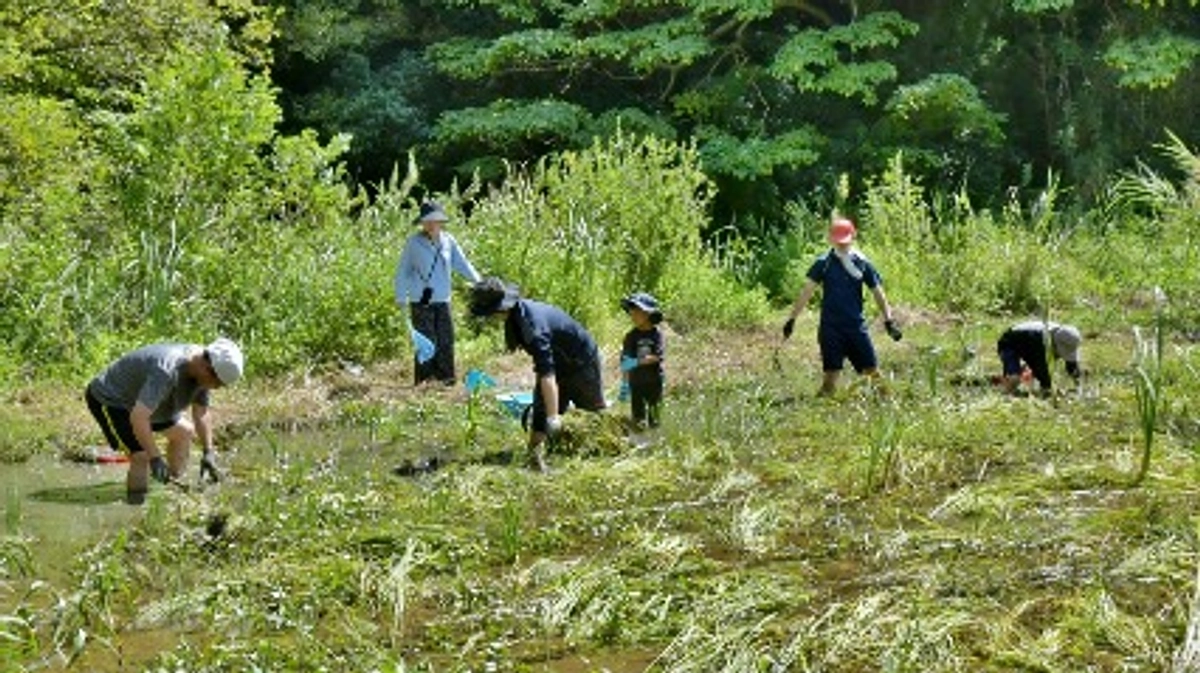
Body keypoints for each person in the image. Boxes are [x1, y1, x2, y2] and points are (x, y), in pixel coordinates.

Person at [469, 277, 607, 471]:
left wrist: (553, 417)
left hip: (581, 360)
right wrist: (548, 413)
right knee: (540, 410)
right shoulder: (515, 315)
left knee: (593, 416)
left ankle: (603, 458)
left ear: (499, 309)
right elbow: (547, 373)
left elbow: (547, 373)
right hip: (557, 361)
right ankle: (534, 459)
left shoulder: (532, 326)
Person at [85, 338, 244, 504]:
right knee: (141, 456)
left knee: (184, 432)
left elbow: (201, 413)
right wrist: (155, 457)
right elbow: (139, 417)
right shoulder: (166, 369)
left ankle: (173, 486)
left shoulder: (204, 370)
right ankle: (135, 508)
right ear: (207, 369)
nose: (216, 388)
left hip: (146, 403)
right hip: (114, 401)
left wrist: (208, 452)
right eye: (217, 383)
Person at [782, 216, 902, 396]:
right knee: (831, 377)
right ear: (831, 239)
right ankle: (821, 411)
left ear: (853, 236)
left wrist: (889, 321)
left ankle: (889, 404)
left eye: (846, 242)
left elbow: (878, 293)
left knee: (873, 374)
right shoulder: (823, 263)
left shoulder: (863, 263)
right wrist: (792, 319)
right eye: (839, 242)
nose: (842, 246)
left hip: (855, 327)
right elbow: (806, 292)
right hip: (831, 328)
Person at [394, 200, 483, 385]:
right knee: (427, 343)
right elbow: (403, 270)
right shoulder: (413, 243)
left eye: (435, 221)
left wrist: (479, 281)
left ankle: (446, 380)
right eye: (427, 221)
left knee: (446, 340)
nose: (431, 224)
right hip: (421, 300)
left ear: (441, 222)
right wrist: (401, 296)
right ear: (422, 223)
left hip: (443, 299)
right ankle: (425, 381)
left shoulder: (448, 240)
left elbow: (462, 263)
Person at [996, 320, 1082, 395]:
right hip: (1009, 344)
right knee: (1014, 379)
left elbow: (1072, 366)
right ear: (1054, 342)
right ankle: (1004, 393)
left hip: (1027, 346)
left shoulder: (1068, 338)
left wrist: (1078, 385)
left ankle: (1023, 370)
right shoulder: (1040, 341)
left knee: (1031, 370)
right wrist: (1049, 388)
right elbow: (1040, 368)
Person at [619, 292, 666, 429]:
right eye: (631, 312)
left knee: (655, 419)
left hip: (654, 382)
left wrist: (636, 362)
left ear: (647, 314)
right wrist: (624, 385)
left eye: (636, 311)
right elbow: (626, 362)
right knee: (638, 418)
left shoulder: (656, 335)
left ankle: (654, 444)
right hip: (636, 383)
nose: (632, 315)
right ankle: (640, 442)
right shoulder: (630, 336)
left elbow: (656, 357)